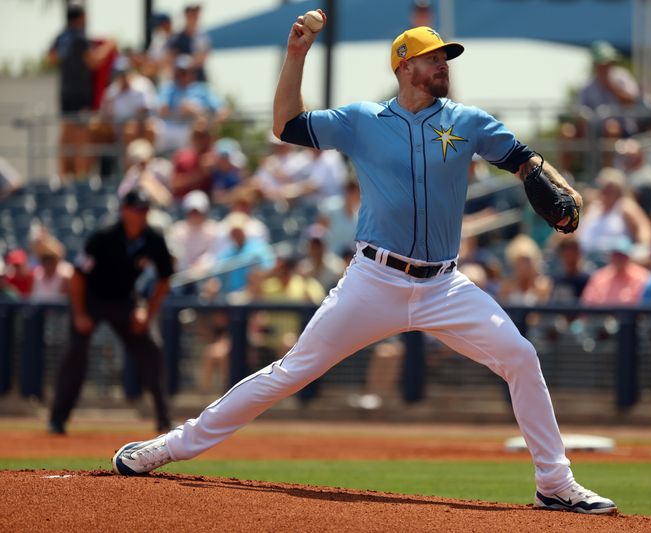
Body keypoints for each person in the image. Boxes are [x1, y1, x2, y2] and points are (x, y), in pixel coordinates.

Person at [112, 17, 617, 515]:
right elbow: (286, 124)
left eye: (445, 57)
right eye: (433, 57)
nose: (443, 64)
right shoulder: (362, 121)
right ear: (404, 66)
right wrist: (296, 55)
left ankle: (555, 484)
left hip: (444, 285)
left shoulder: (467, 122)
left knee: (521, 357)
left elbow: (524, 159)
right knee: (289, 372)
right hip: (375, 279)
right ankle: (172, 447)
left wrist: (557, 181)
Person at [49, 189, 174, 435]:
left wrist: (147, 315)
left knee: (151, 351)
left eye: (146, 209)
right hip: (92, 299)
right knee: (75, 355)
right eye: (137, 208)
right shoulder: (103, 236)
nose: (142, 213)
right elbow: (77, 276)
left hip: (124, 301)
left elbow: (164, 281)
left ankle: (164, 420)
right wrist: (80, 314)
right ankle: (57, 420)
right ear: (124, 210)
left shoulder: (154, 238)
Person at [47, 3, 116, 180]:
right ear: (81, 17)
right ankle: (77, 181)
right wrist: (109, 45)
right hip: (80, 96)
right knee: (80, 139)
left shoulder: (61, 37)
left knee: (66, 135)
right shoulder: (79, 37)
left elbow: (51, 58)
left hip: (65, 95)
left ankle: (64, 178)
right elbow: (94, 61)